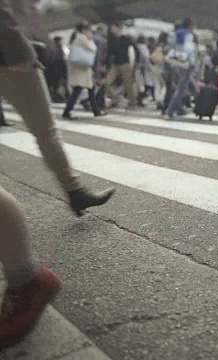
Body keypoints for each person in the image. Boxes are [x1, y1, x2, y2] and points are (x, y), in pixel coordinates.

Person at [0, 0, 115, 348]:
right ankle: (74, 191)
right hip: (14, 50)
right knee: (46, 131)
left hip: (13, 51)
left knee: (46, 130)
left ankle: (74, 191)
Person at [62, 22, 106, 120]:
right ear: (84, 30)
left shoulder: (77, 37)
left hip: (81, 68)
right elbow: (93, 48)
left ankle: (96, 110)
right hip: (81, 69)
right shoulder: (82, 38)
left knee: (89, 89)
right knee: (78, 89)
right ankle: (67, 111)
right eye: (88, 30)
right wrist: (90, 38)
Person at [164, 18, 197, 120]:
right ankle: (170, 112)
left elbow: (168, 49)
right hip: (185, 63)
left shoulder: (173, 34)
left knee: (191, 86)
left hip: (176, 63)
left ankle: (201, 101)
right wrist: (192, 63)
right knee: (181, 89)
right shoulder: (188, 35)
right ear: (189, 26)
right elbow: (189, 49)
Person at [104, 21, 138, 110]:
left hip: (125, 64)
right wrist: (106, 64)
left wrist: (137, 62)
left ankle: (132, 103)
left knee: (128, 84)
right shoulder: (112, 39)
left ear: (118, 28)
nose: (112, 30)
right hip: (115, 64)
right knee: (107, 82)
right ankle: (115, 98)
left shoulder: (126, 38)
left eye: (113, 28)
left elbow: (136, 49)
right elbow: (109, 53)